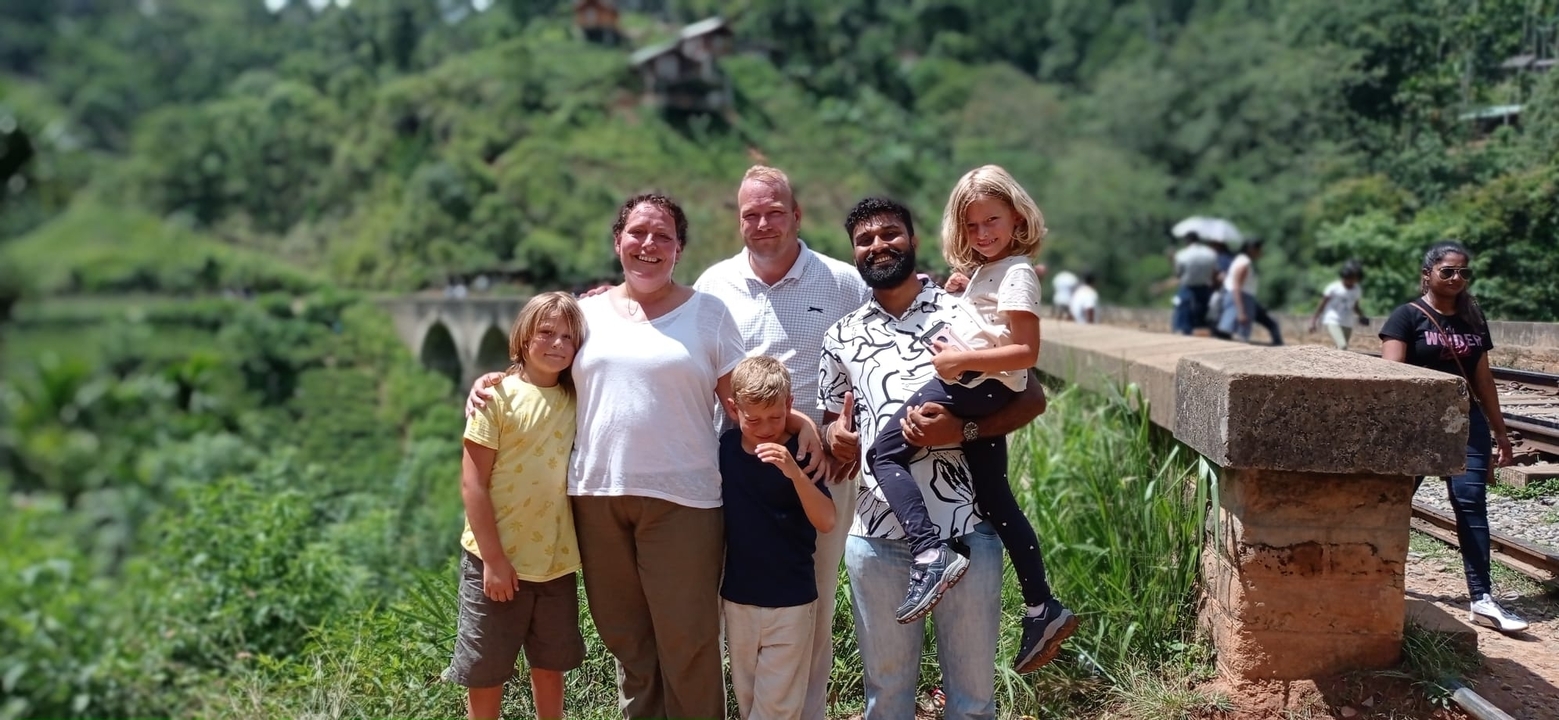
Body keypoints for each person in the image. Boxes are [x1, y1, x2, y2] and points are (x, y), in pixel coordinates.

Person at [466, 194, 824, 719]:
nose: (648, 244)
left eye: (662, 236)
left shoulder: (707, 313)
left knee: (688, 639)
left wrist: (802, 422)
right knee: (626, 639)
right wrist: (491, 381)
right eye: (637, 233)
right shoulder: (586, 314)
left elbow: (743, 398)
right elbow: (542, 373)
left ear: (679, 248)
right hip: (596, 496)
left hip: (684, 500)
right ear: (618, 242)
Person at [821, 197, 1051, 719]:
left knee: (971, 702)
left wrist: (963, 428)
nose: (879, 245)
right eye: (866, 239)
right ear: (854, 252)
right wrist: (837, 436)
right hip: (876, 537)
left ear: (914, 240)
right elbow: (835, 422)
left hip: (966, 529)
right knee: (886, 698)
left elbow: (1031, 396)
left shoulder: (963, 308)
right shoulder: (841, 335)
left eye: (890, 233)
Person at [861, 166, 1076, 675]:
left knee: (883, 452)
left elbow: (1025, 352)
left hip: (972, 387)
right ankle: (1040, 606)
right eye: (973, 226)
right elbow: (987, 325)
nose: (983, 234)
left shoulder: (1018, 272)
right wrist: (960, 293)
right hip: (980, 388)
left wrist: (960, 365)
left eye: (993, 221)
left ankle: (930, 553)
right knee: (996, 498)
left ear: (1018, 217)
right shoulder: (989, 270)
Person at [692, 165, 870, 720]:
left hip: (821, 469)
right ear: (738, 221)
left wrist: (842, 433)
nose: (763, 223)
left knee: (810, 602)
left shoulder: (842, 282)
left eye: (774, 211)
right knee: (736, 599)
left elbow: (876, 356)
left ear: (797, 215)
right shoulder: (712, 286)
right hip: (737, 470)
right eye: (751, 214)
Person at [445, 292, 588, 720]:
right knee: (486, 672)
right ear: (524, 337)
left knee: (550, 667)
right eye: (546, 332)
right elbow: (472, 483)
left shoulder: (577, 396)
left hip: (555, 564)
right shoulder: (496, 399)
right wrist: (493, 560)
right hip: (496, 561)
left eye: (568, 336)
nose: (558, 343)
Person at [1379, 241, 1527, 633]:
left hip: (1465, 423)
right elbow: (1393, 377)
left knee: (1471, 504)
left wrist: (1500, 431)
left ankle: (1482, 599)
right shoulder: (1405, 318)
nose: (1456, 278)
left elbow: (1483, 379)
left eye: (1463, 272)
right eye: (1448, 271)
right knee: (1394, 503)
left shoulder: (1473, 319)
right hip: (1418, 426)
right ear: (1427, 274)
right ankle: (1374, 582)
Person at [719, 356, 838, 720]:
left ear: (789, 405)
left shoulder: (802, 455)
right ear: (733, 408)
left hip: (791, 600)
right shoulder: (725, 448)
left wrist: (794, 474)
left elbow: (827, 520)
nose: (766, 428)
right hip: (738, 599)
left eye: (775, 417)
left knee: (776, 708)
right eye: (753, 419)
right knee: (749, 700)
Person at [1216, 238, 1282, 345]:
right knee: (1235, 334)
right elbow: (1236, 286)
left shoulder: (1240, 261)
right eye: (1259, 250)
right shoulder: (1244, 263)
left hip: (1242, 298)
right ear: (1252, 249)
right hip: (1240, 299)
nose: (1261, 253)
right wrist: (1241, 311)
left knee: (1230, 334)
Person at [1309, 260, 1368, 350]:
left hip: (1347, 322)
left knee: (1340, 349)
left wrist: (1361, 316)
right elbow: (1322, 304)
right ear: (1345, 275)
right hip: (1333, 319)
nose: (1353, 280)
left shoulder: (1357, 290)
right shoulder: (1334, 288)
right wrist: (1314, 321)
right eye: (1351, 277)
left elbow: (1355, 306)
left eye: (1356, 278)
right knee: (1342, 346)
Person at [1169, 234, 1218, 334]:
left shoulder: (1182, 254)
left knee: (1182, 308)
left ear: (1186, 241)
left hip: (1187, 286)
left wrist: (1171, 260)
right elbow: (1214, 271)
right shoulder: (1210, 253)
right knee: (1203, 309)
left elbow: (1178, 274)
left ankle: (1182, 328)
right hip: (1204, 286)